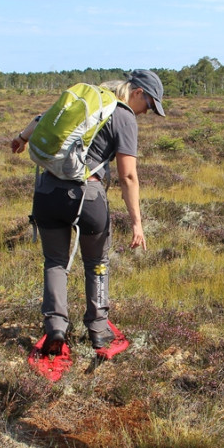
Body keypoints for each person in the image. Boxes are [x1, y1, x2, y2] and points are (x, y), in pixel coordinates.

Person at [11, 70, 165, 353]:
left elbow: (41, 120)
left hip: (47, 192)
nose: (147, 113)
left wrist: (21, 139)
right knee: (96, 263)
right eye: (150, 105)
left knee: (55, 262)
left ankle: (56, 328)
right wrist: (137, 224)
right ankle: (99, 330)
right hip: (87, 196)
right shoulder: (123, 115)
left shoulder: (84, 100)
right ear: (137, 93)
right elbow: (128, 176)